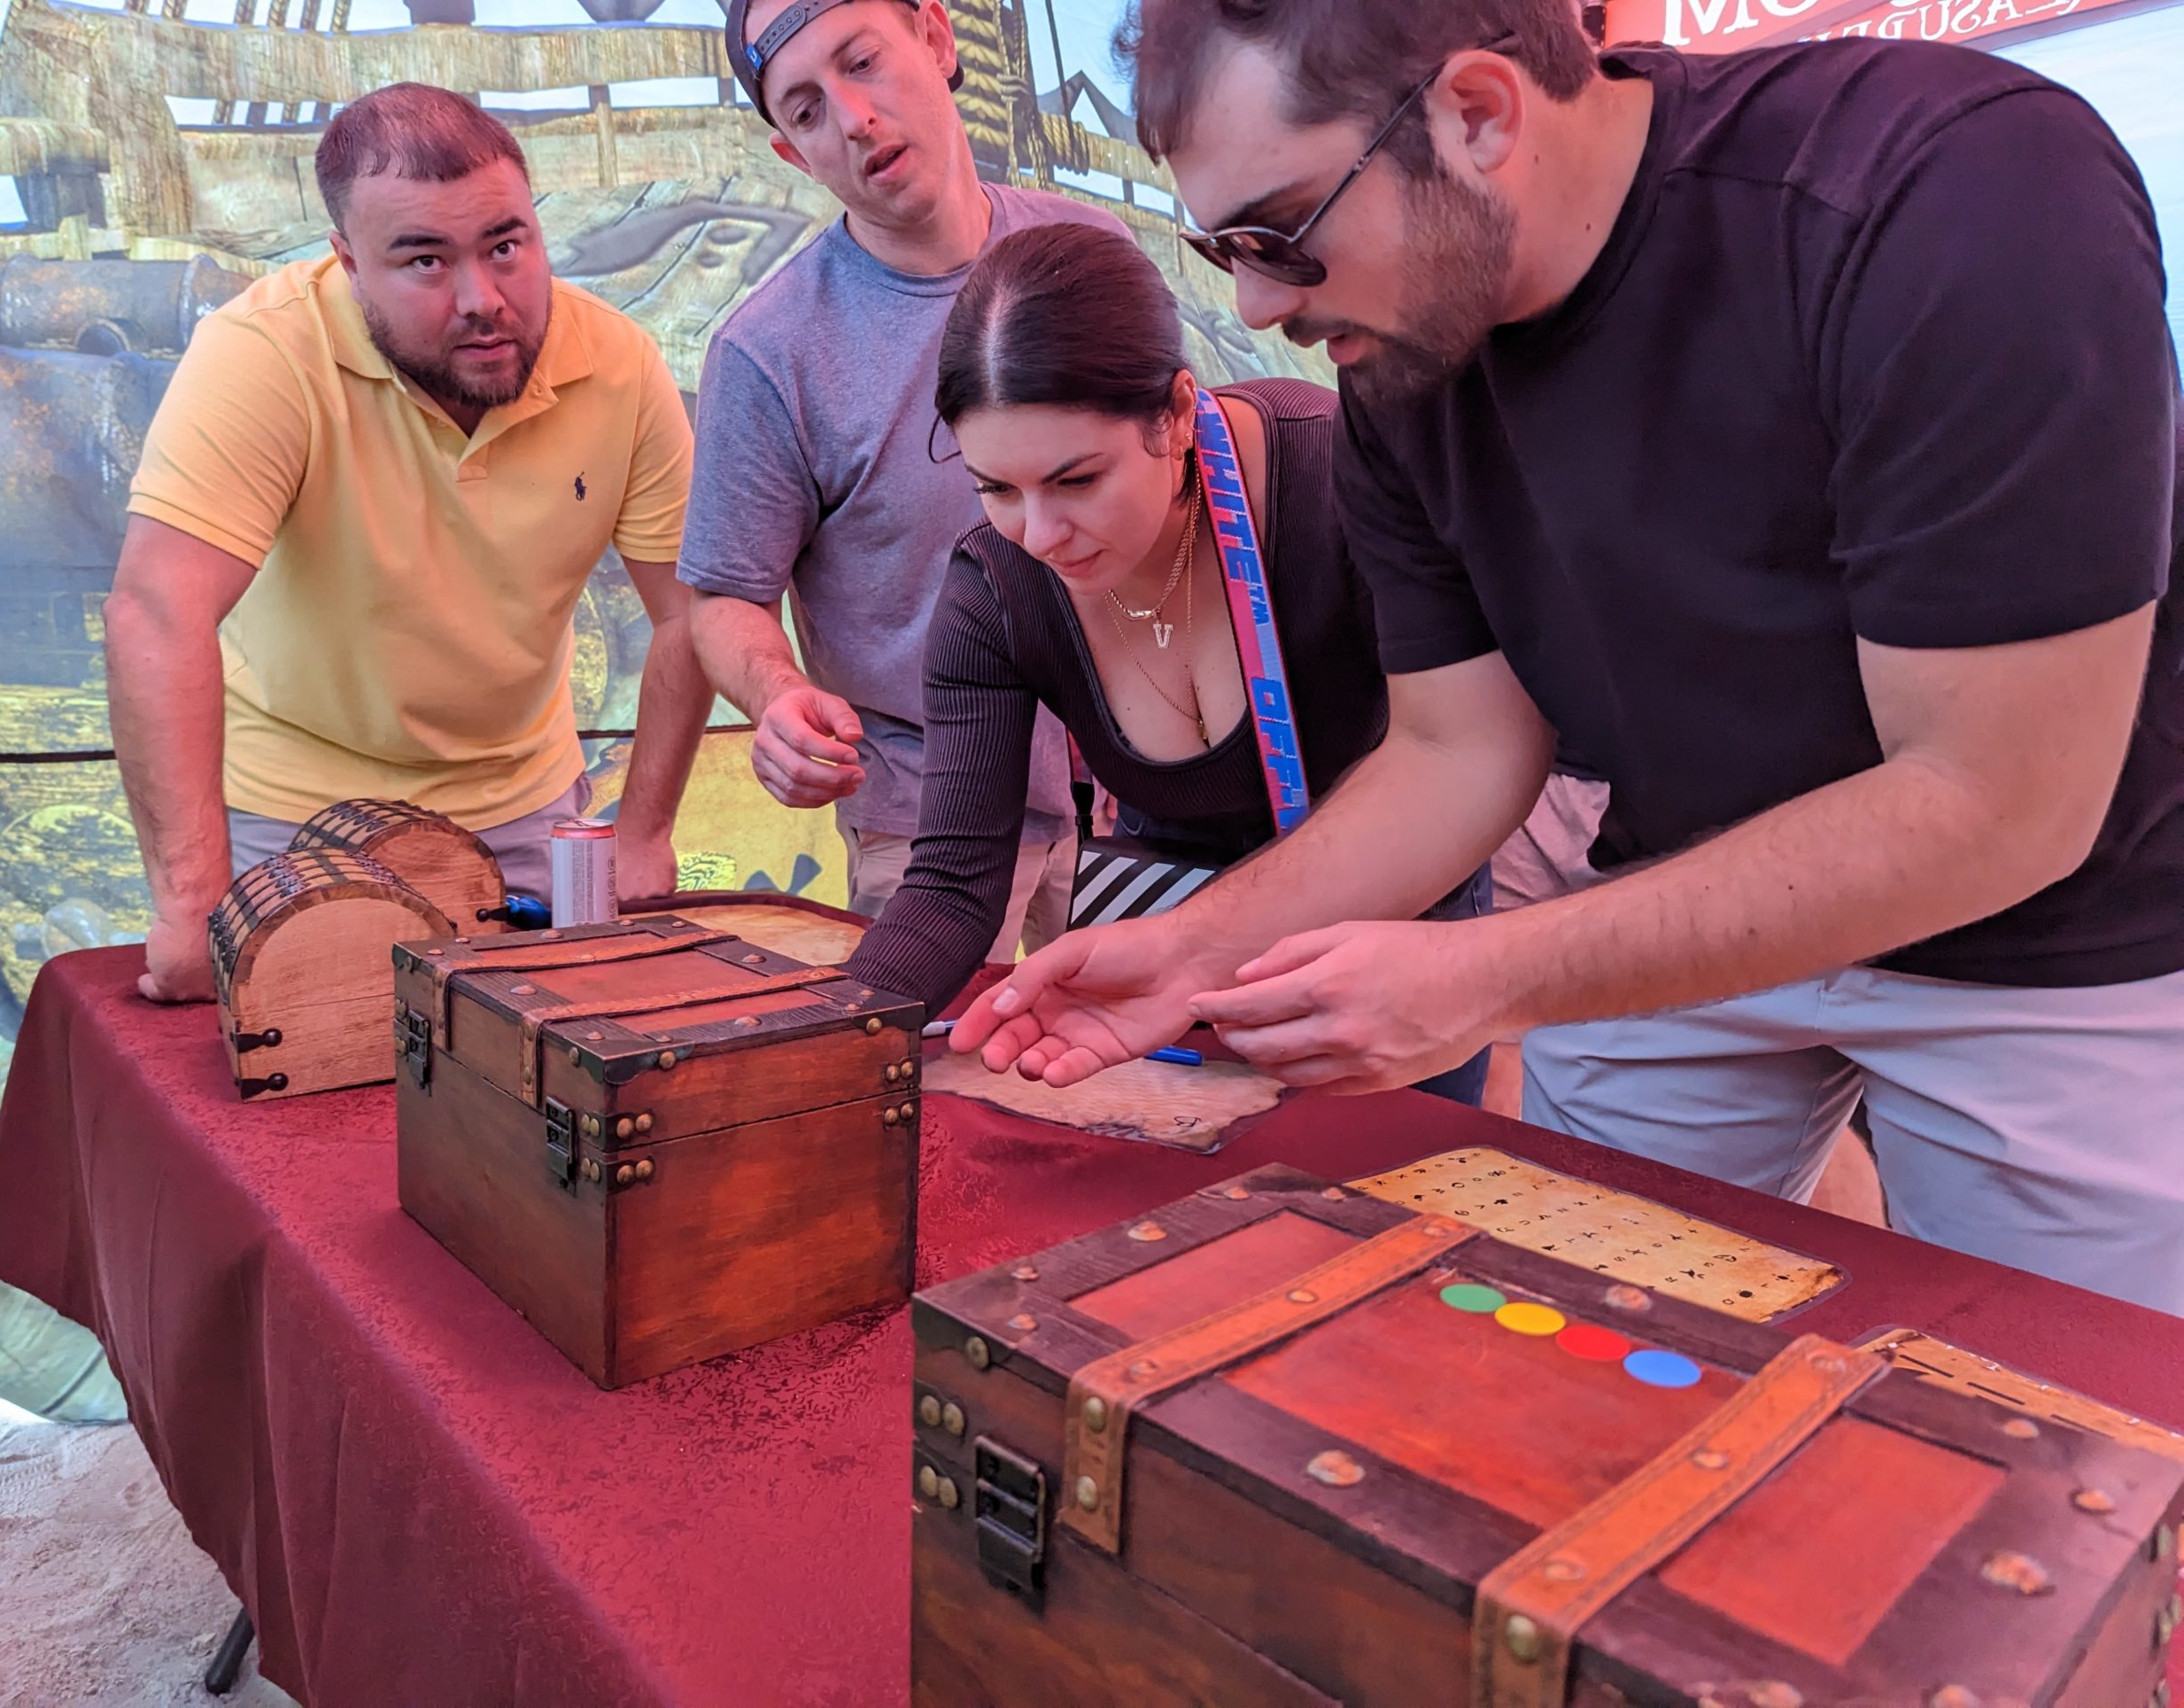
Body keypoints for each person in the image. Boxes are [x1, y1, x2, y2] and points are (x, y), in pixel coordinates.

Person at [956, 0, 2184, 1313]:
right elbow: (1456, 748)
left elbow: (1996, 804)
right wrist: (1196, 951)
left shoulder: (1950, 193)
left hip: (2056, 932)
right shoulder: (1406, 367)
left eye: (1282, 233)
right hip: (1681, 885)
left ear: (1478, 115)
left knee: (2054, 1435)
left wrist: (1491, 978)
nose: (1260, 307)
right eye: (1223, 250)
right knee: (1561, 1349)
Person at [844, 224, 1491, 1101]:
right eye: (994, 487)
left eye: (1076, 481)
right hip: (1163, 981)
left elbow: (1462, 761)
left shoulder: (1347, 482)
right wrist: (820, 1033)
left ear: (1178, 413)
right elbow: (953, 884)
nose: (1038, 534)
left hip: (1386, 956)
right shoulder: (993, 589)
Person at [107, 84, 711, 1002]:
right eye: (424, 260)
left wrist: (645, 828)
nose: (483, 300)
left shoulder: (621, 364)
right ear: (346, 260)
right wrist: (191, 903)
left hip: (525, 806)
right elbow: (157, 612)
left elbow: (689, 614)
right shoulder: (263, 351)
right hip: (289, 814)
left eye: (506, 246)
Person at [678, 0, 1129, 946]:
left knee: (1160, 1091)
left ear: (934, 35)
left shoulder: (1092, 260)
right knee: (933, 1089)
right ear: (793, 157)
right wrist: (777, 695)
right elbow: (722, 599)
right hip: (927, 818)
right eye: (804, 110)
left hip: (1141, 795)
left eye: (862, 62)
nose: (851, 117)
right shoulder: (768, 350)